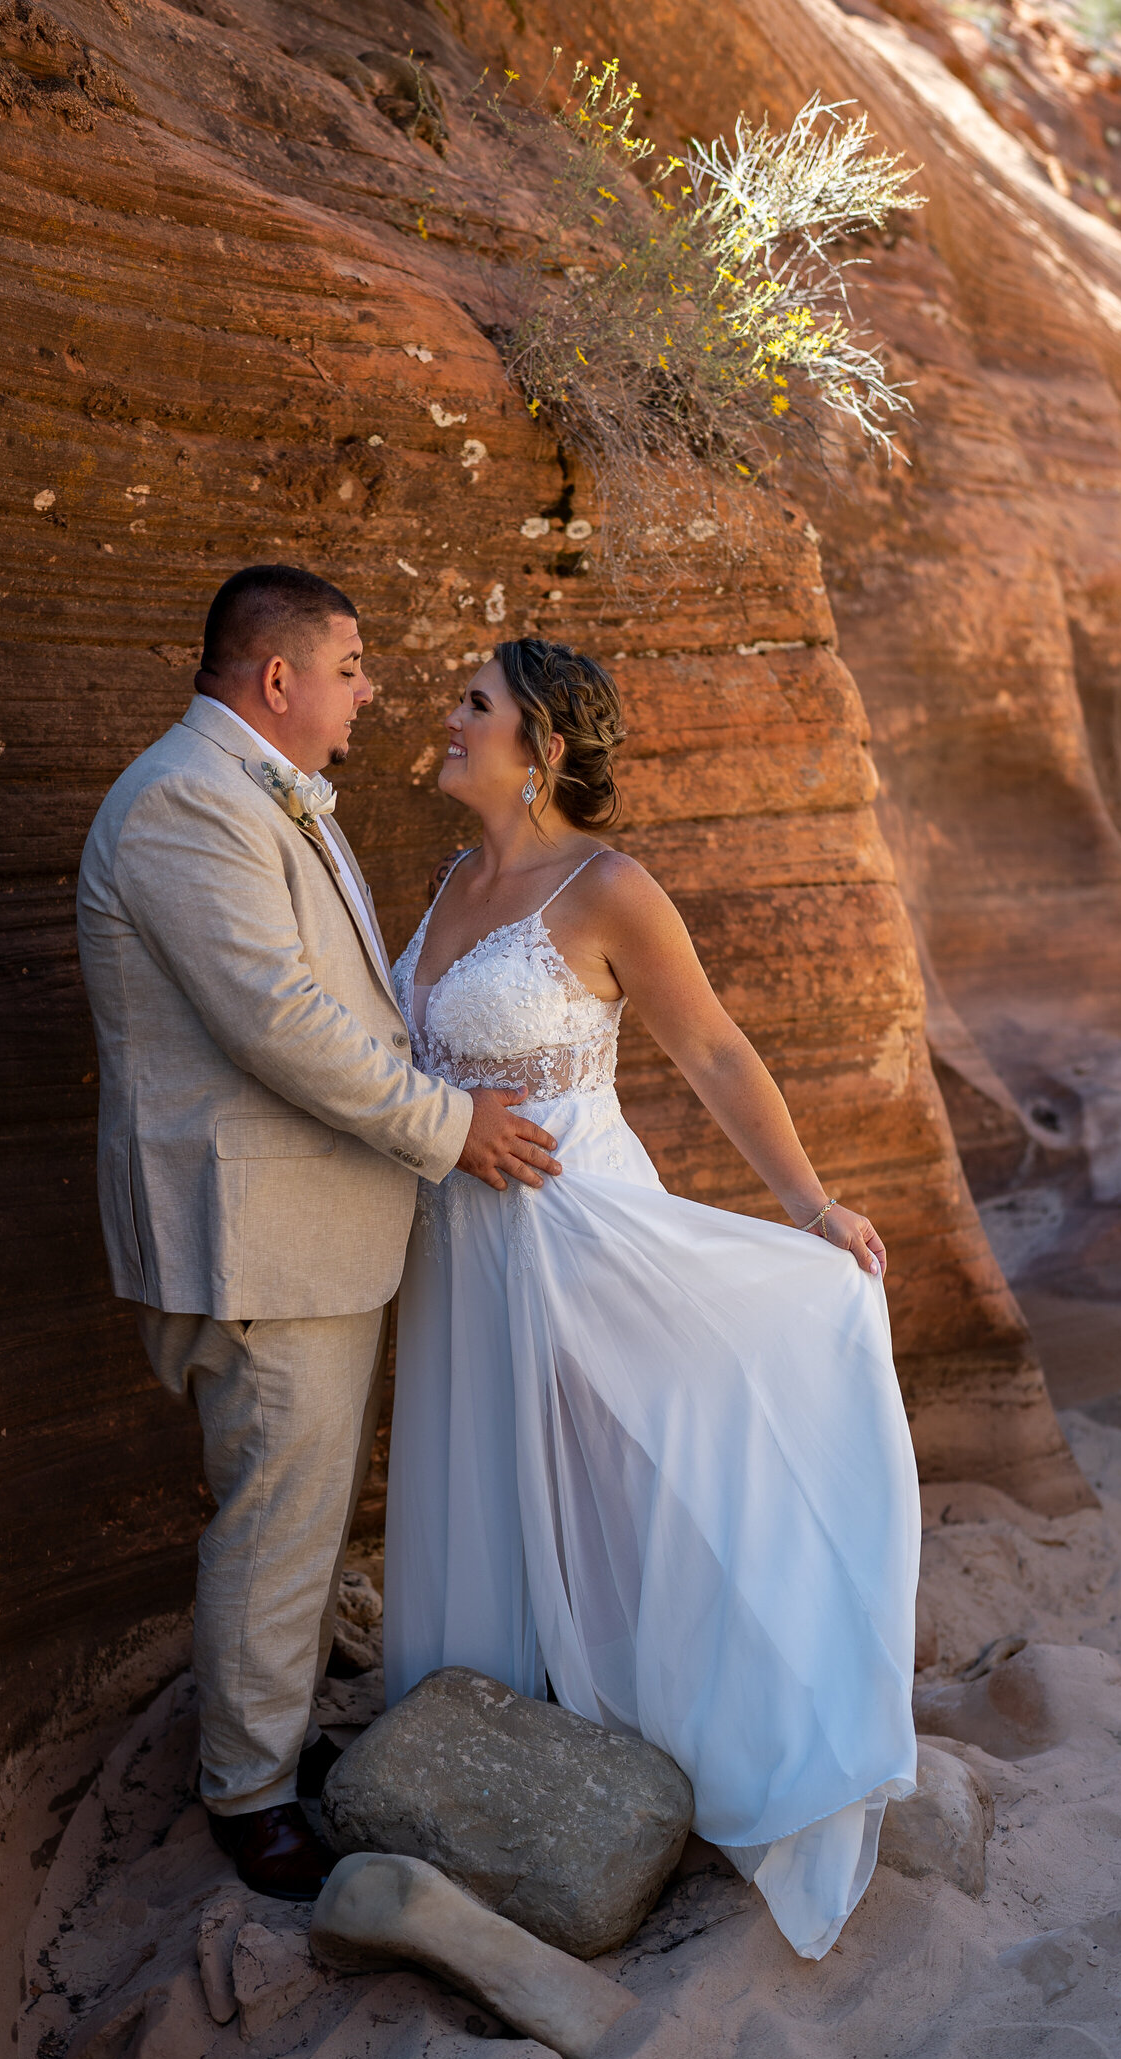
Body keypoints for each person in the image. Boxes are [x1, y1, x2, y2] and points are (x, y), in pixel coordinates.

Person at [383, 636, 920, 1958]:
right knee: (491, 1480)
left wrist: (810, 1205)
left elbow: (717, 1050)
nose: (447, 721)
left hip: (582, 1228)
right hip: (463, 1240)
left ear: (544, 747)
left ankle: (714, 1740)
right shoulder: (452, 875)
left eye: (475, 706)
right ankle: (502, 1750)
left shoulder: (608, 887)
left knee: (639, 1485)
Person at [76, 568, 561, 1900]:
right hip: (254, 1241)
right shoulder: (185, 802)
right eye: (350, 665)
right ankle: (250, 1794)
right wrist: (451, 1125)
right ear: (277, 678)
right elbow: (279, 1023)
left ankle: (266, 1730)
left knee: (299, 1508)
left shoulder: (252, 793)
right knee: (278, 1522)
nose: (370, 690)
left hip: (306, 1229)